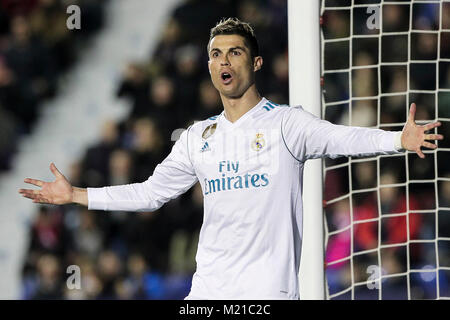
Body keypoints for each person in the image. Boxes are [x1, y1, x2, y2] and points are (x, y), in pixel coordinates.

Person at [19, 18, 444, 300]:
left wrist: (396, 141)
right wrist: (78, 194)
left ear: (255, 62)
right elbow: (150, 194)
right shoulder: (197, 138)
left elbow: (341, 139)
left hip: (266, 295)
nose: (224, 61)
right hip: (207, 295)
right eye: (216, 54)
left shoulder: (286, 125)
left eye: (235, 52)